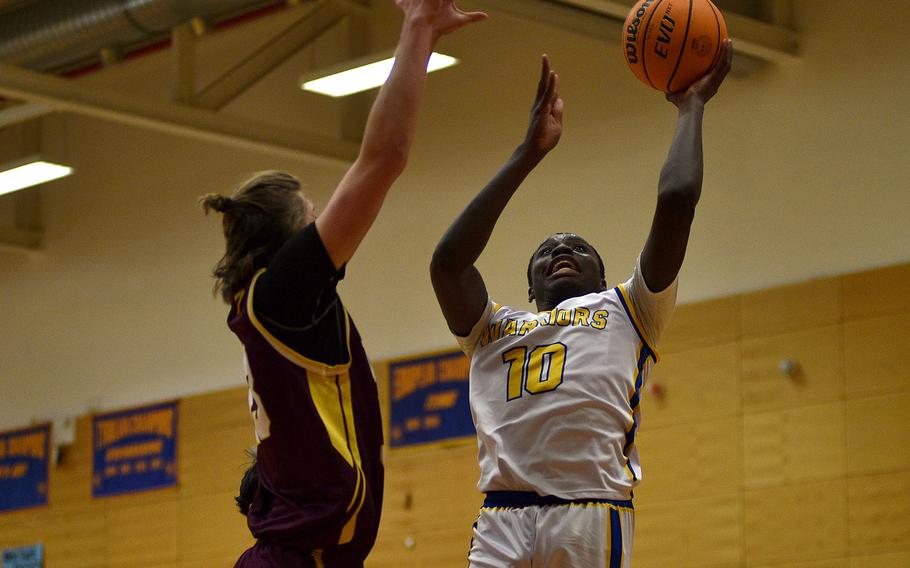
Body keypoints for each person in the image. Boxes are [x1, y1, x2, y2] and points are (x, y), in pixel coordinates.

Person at [200, 2, 486, 566]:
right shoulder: (281, 293)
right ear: (293, 236)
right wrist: (418, 29)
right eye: (312, 214)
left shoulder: (268, 305)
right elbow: (384, 157)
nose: (325, 220)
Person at [429, 42, 733, 568]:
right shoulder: (490, 329)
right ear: (528, 286)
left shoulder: (631, 310)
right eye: (547, 250)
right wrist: (528, 153)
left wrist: (692, 107)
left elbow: (678, 196)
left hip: (589, 513)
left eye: (578, 248)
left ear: (604, 275)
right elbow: (447, 262)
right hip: (501, 517)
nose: (562, 250)